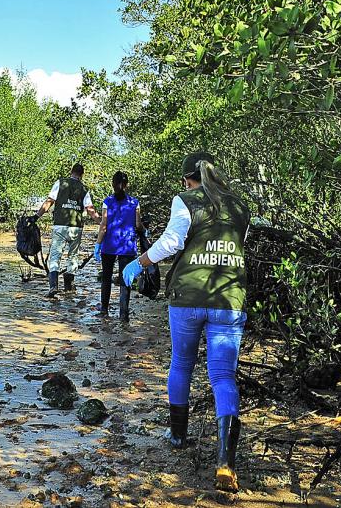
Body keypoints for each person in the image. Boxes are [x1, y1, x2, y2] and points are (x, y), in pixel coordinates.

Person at [121, 152, 251, 492]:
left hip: (188, 296)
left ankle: (177, 434)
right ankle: (225, 461)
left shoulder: (186, 201)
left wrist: (140, 262)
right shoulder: (240, 207)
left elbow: (173, 241)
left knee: (182, 363)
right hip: (229, 297)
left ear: (186, 179)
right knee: (223, 375)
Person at [34, 163, 101, 297]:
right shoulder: (84, 189)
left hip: (60, 225)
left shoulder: (60, 183)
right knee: (73, 256)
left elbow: (49, 202)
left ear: (71, 172)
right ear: (82, 175)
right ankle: (69, 287)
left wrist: (36, 216)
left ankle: (53, 286)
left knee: (55, 256)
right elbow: (90, 210)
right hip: (76, 227)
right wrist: (103, 223)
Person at [93, 171, 145, 322]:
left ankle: (104, 309)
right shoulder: (134, 202)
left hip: (109, 244)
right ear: (126, 184)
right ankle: (124, 314)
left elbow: (104, 225)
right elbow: (137, 224)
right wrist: (144, 231)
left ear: (112, 184)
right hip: (128, 245)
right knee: (125, 279)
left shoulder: (107, 202)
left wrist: (98, 244)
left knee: (106, 278)